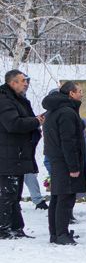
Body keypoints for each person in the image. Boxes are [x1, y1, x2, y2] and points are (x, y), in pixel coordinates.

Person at [42, 81, 86, 245]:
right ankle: (61, 234)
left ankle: (56, 233)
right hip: (64, 161)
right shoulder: (67, 112)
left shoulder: (55, 110)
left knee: (57, 196)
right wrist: (73, 167)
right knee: (65, 198)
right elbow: (68, 141)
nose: (81, 94)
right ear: (71, 93)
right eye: (79, 91)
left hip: (57, 159)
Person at [0, 69, 42, 239]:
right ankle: (3, 229)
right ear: (12, 83)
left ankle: (16, 228)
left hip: (17, 154)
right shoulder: (4, 99)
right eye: (23, 80)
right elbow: (13, 124)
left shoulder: (19, 100)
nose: (26, 83)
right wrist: (36, 121)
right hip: (7, 155)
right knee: (7, 194)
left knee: (15, 194)